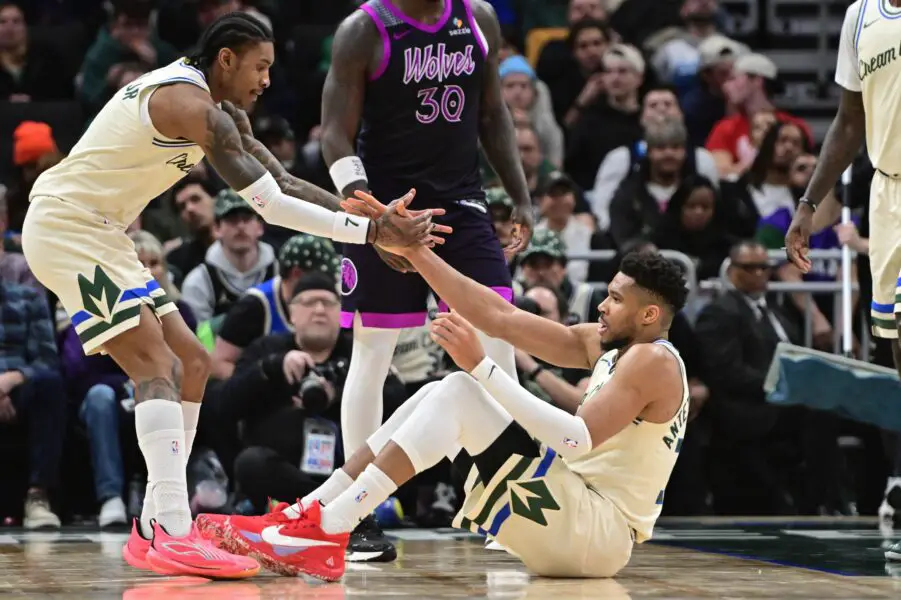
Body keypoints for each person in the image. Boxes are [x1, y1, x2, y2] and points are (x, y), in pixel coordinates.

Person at [19, 11, 442, 579]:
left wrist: (371, 216)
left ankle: (155, 525)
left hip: (103, 232)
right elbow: (269, 207)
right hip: (66, 226)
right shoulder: (187, 105)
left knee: (192, 361)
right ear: (226, 59)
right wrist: (371, 235)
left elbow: (287, 182)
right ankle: (172, 526)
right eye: (260, 66)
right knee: (155, 361)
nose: (267, 79)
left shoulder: (222, 114)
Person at [209, 221, 689, 581]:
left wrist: (482, 365)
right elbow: (498, 316)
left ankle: (332, 526)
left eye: (616, 299)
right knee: (438, 390)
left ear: (649, 314)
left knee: (461, 388)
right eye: (606, 294)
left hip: (595, 531)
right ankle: (310, 513)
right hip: (573, 519)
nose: (602, 305)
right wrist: (418, 254)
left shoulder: (653, 361)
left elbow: (578, 439)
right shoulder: (608, 346)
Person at [278, 0, 534, 562]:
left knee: (500, 348)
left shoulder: (478, 19)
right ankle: (358, 516)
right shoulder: (362, 30)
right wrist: (374, 219)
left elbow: (492, 114)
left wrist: (518, 192)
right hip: (383, 205)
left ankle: (516, 508)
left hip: (462, 204)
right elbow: (335, 139)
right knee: (373, 356)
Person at [783, 0, 901, 559]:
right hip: (886, 192)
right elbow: (849, 120)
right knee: (895, 345)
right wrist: (810, 201)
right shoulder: (859, 16)